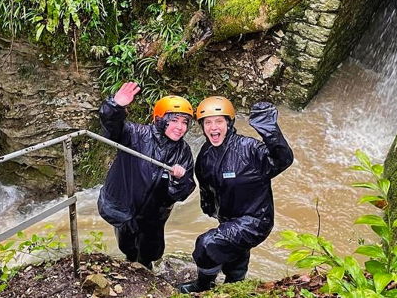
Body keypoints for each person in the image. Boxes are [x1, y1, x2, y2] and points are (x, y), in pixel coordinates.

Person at [178, 96, 294, 293]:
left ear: (229, 123)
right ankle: (235, 285)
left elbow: (283, 159)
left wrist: (269, 130)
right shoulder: (205, 155)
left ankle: (204, 285)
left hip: (256, 220)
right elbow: (206, 188)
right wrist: (209, 207)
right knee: (235, 254)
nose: (213, 127)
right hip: (229, 219)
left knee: (206, 244)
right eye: (208, 122)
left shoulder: (249, 148)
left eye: (219, 121)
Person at [97, 82, 196, 270]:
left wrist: (179, 180)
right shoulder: (136, 135)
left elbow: (184, 192)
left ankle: (146, 272)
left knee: (151, 251)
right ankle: (130, 269)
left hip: (154, 215)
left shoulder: (183, 152)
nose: (180, 127)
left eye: (184, 122)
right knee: (127, 247)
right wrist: (115, 106)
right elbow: (112, 128)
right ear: (159, 119)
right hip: (124, 207)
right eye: (174, 120)